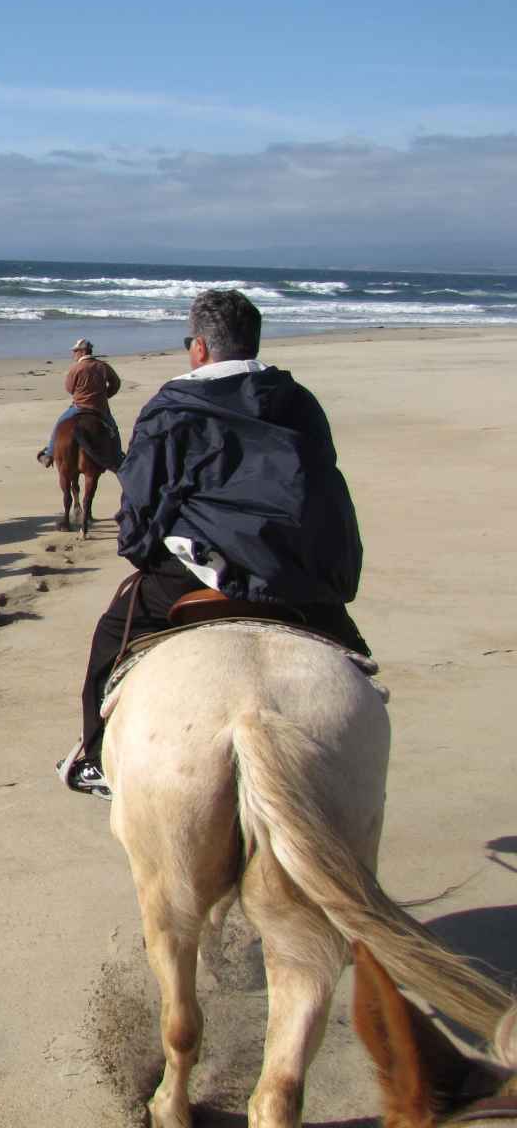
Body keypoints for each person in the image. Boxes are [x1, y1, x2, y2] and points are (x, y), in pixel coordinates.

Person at [60, 290, 369, 799]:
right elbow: (322, 483)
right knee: (356, 663)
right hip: (295, 573)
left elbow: (142, 499)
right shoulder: (298, 401)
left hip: (199, 572)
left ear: (199, 348)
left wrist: (142, 550)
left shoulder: (173, 404)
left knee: (111, 638)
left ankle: (93, 759)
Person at [37, 338, 122, 467]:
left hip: (79, 407)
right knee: (113, 429)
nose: (74, 354)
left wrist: (82, 394)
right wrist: (105, 396)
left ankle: (49, 454)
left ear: (82, 352)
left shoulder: (76, 368)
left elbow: (69, 388)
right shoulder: (103, 366)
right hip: (100, 408)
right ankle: (117, 456)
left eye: (75, 351)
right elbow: (116, 383)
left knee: (59, 424)